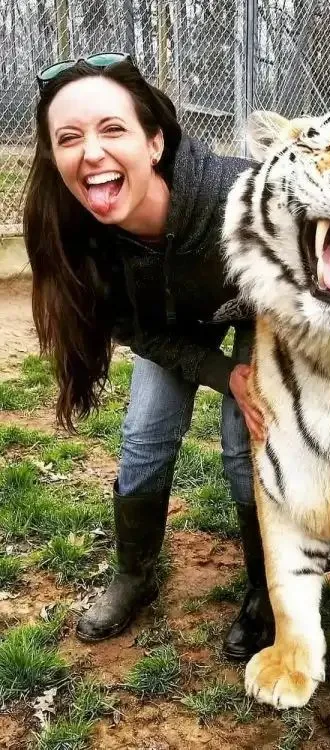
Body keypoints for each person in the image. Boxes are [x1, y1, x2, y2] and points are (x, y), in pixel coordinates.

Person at [23, 52, 273, 661]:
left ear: (154, 142)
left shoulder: (238, 196)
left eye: (112, 129)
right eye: (68, 138)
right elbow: (136, 332)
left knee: (244, 442)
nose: (91, 152)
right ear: (54, 158)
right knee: (143, 436)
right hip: (171, 327)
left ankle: (266, 590)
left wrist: (253, 376)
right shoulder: (80, 240)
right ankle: (134, 574)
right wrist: (222, 374)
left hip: (260, 313)